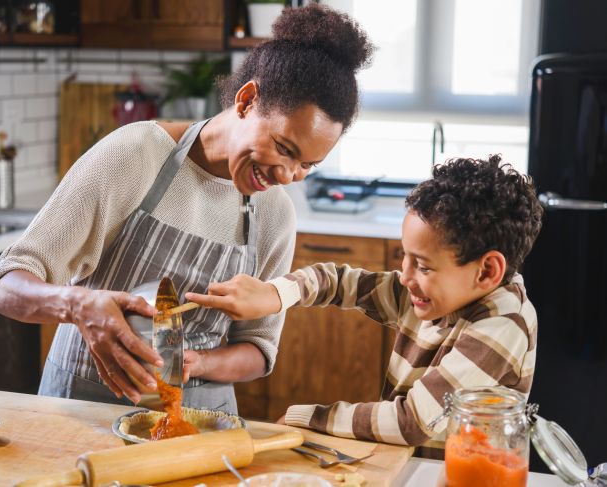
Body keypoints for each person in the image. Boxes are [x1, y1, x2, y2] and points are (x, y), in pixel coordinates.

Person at [0, 4, 373, 412]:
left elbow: (258, 349)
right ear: (246, 100)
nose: (288, 174)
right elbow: (5, 284)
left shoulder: (275, 215)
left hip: (201, 419)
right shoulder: (137, 155)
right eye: (284, 148)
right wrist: (78, 304)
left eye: (307, 165)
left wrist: (200, 362)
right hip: (84, 407)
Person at [186, 155, 544, 449]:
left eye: (422, 265)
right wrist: (276, 294)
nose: (404, 276)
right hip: (411, 466)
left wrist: (310, 418)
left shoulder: (503, 323)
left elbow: (412, 421)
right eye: (405, 257)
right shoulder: (435, 293)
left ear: (487, 271)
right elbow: (338, 282)